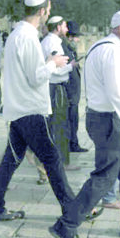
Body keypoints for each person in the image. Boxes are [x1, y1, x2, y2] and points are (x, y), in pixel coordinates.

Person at [49, 10, 120, 238]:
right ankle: (66, 225)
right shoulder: (112, 51)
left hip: (116, 120)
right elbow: (117, 92)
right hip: (112, 121)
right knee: (105, 177)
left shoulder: (111, 48)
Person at [0, 0, 76, 223]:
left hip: (18, 110)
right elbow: (36, 77)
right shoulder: (27, 37)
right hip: (31, 110)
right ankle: (73, 210)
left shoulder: (17, 34)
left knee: (10, 161)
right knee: (52, 160)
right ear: (43, 11)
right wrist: (53, 63)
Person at [41, 15, 77, 168]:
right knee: (60, 125)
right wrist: (71, 66)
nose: (67, 29)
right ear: (57, 27)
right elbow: (55, 68)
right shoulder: (52, 43)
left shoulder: (50, 41)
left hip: (52, 87)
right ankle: (62, 162)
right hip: (55, 88)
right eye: (64, 26)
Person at [64, 20, 87, 153]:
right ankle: (71, 143)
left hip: (74, 94)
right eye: (76, 37)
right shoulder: (66, 50)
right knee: (70, 121)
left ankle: (73, 142)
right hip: (70, 93)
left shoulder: (70, 50)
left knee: (73, 120)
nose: (78, 40)